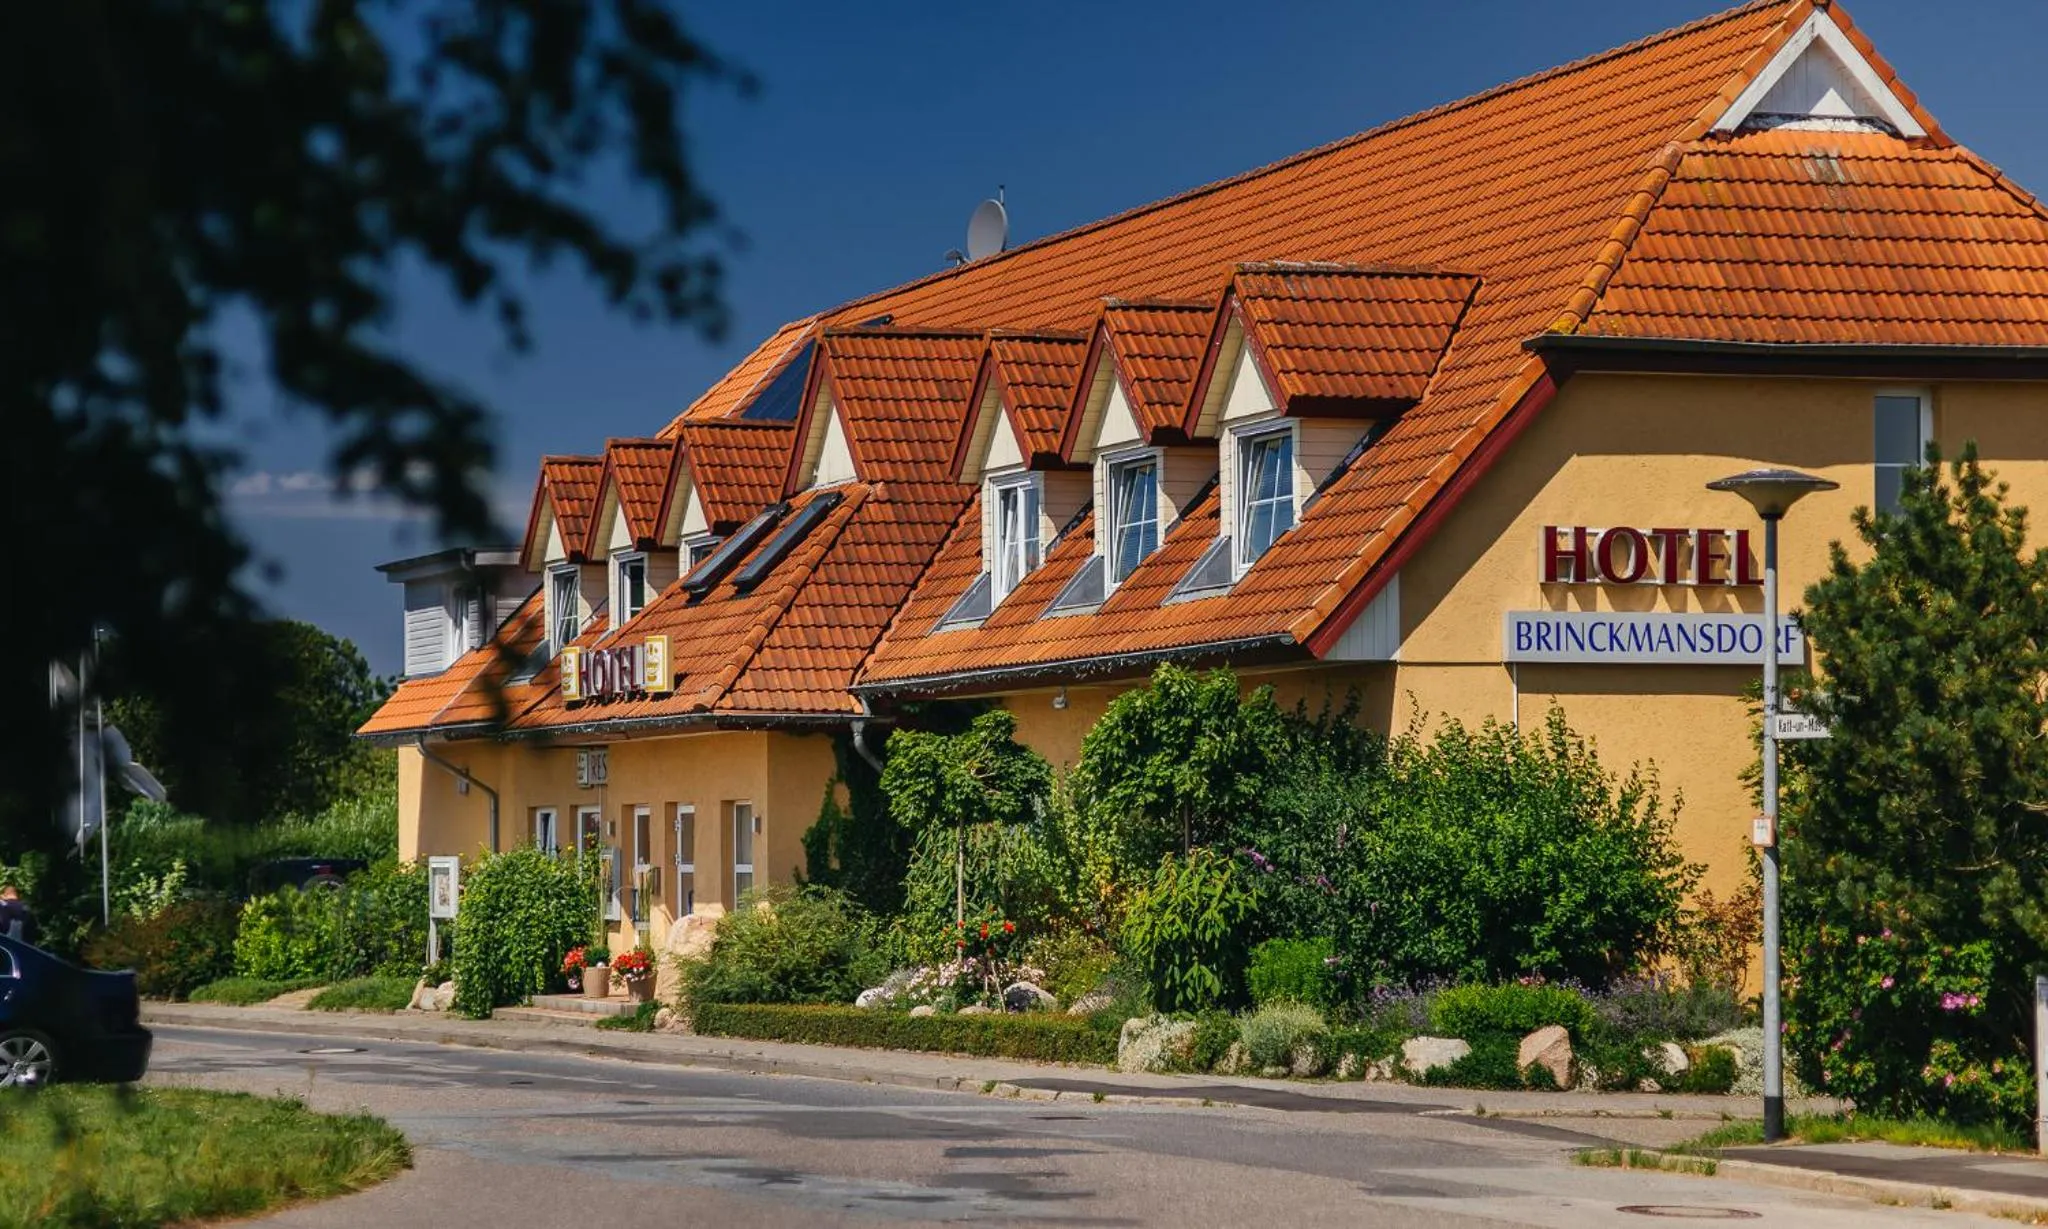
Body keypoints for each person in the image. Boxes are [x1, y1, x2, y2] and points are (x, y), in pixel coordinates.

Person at [0, 881, 35, 947]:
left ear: (4, 895)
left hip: (4, 946)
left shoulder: (2, 905)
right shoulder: (27, 909)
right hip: (22, 949)